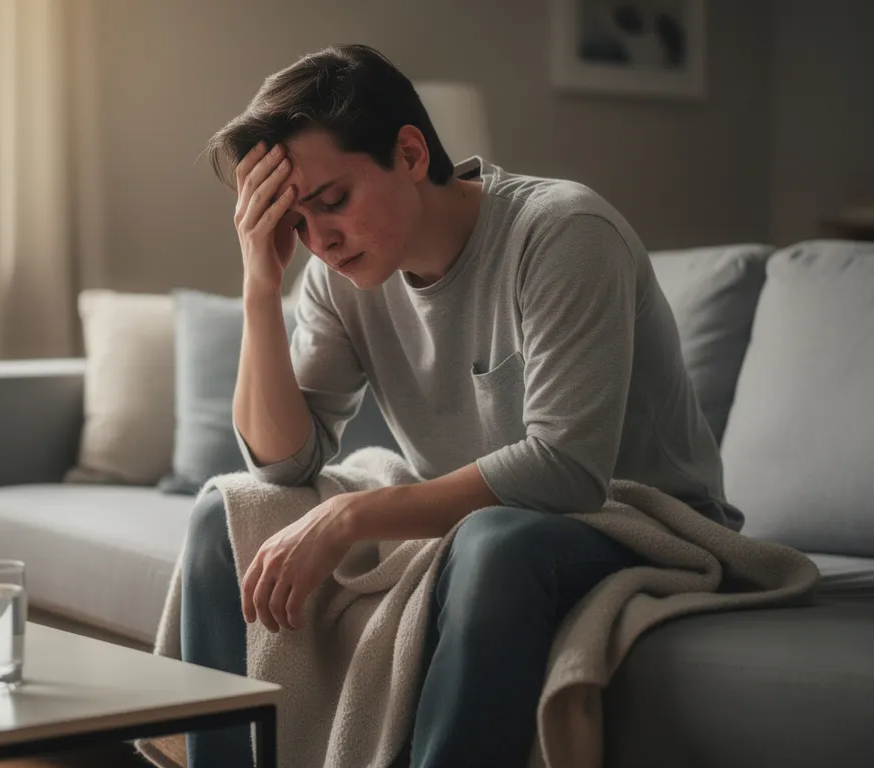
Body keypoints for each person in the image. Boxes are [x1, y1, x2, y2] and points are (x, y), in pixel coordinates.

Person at [176, 43, 741, 768]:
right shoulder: (335, 275)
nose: (320, 241)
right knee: (225, 512)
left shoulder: (563, 232)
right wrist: (260, 284)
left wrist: (349, 516)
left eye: (333, 202)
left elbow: (566, 469)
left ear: (410, 152)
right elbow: (286, 463)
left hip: (637, 519)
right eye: (295, 223)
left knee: (492, 541)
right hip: (482, 520)